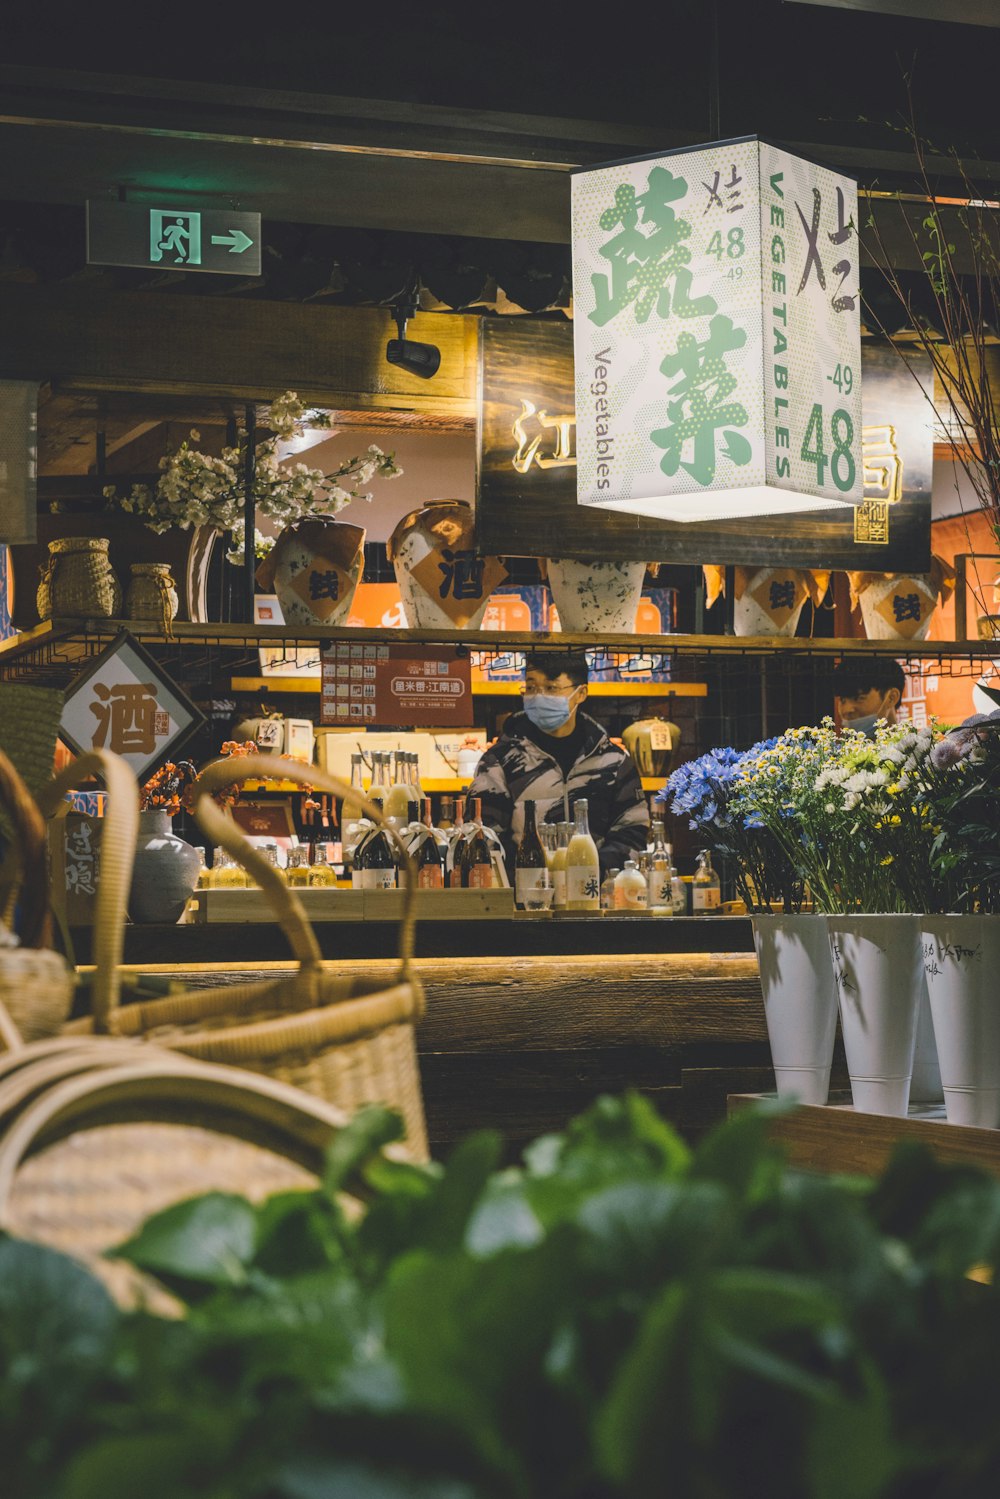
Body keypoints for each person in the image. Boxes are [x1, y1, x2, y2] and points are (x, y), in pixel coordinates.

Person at [466, 651, 650, 871]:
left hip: (596, 896)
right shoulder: (499, 760)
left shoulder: (614, 762)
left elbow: (633, 832)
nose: (538, 696)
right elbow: (482, 833)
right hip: (525, 893)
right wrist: (529, 870)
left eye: (551, 688)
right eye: (531, 687)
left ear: (581, 693)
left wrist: (590, 871)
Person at [831, 659, 907, 735]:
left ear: (891, 697)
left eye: (859, 698)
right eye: (842, 700)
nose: (847, 710)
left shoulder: (913, 745)